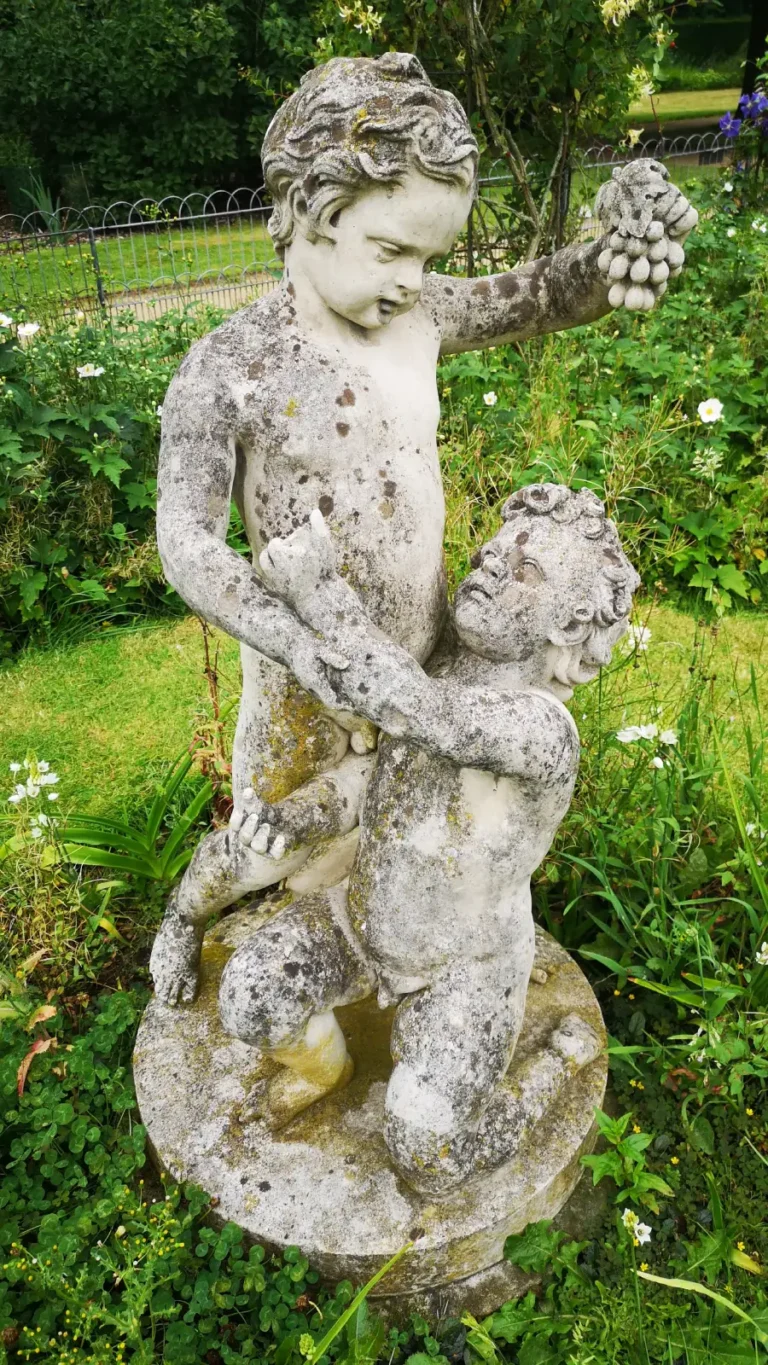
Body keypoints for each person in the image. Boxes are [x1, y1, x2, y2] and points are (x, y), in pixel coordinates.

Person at [151, 51, 693, 1007]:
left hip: (426, 661)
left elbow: (545, 294)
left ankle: (388, 977)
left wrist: (620, 243)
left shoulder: (422, 316)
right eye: (393, 251)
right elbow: (188, 544)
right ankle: (186, 915)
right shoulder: (229, 367)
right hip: (300, 690)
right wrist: (293, 643)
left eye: (431, 258)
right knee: (272, 848)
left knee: (404, 841)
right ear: (315, 215)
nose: (415, 280)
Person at [216, 484, 640, 1194]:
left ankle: (550, 1069)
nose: (491, 566)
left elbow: (421, 711)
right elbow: (389, 764)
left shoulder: (541, 731)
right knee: (250, 999)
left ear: (571, 629)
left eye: (527, 569)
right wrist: (301, 815)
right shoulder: (440, 658)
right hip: (366, 922)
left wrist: (323, 591)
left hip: (463, 968)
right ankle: (331, 1069)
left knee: (427, 1159)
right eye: (491, 551)